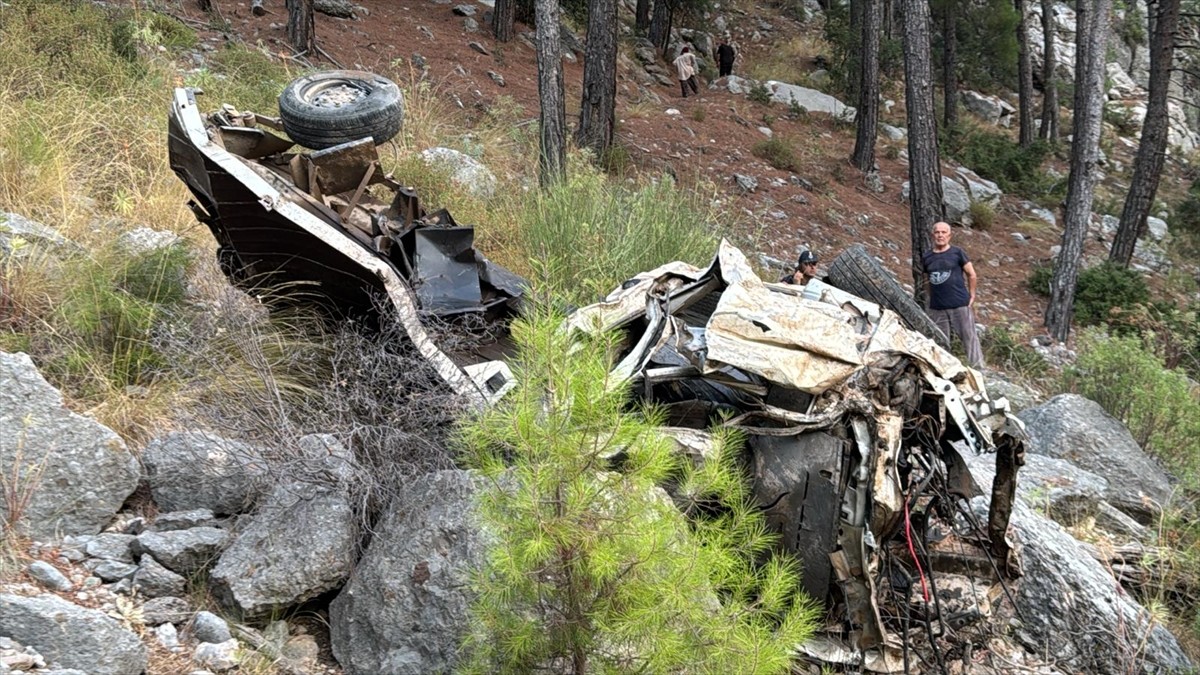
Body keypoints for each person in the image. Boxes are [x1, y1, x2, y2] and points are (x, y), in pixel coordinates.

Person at [923, 221, 984, 368]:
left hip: (959, 304)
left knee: (969, 339)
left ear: (949, 235)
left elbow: (972, 274)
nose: (940, 235)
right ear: (933, 235)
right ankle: (945, 370)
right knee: (940, 342)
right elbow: (927, 280)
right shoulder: (927, 257)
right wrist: (931, 298)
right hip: (937, 308)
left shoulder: (957, 253)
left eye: (944, 232)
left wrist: (972, 295)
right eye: (937, 232)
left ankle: (979, 370)